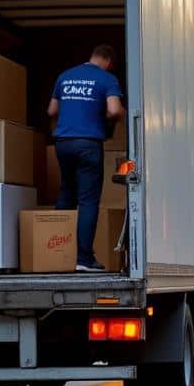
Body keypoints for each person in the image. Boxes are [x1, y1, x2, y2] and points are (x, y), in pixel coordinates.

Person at [47, 45, 123, 272]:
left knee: (66, 193)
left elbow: (51, 111)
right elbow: (114, 110)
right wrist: (112, 115)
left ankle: (57, 254)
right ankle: (84, 259)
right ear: (108, 61)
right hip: (88, 144)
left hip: (62, 143)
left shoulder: (65, 76)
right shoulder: (107, 79)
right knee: (88, 201)